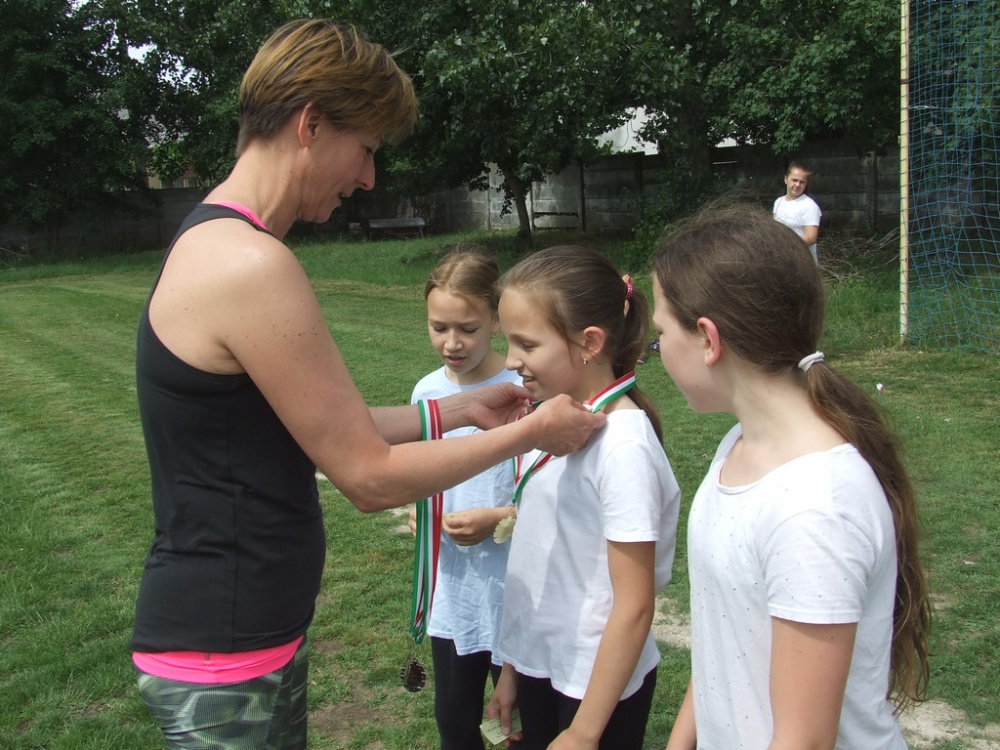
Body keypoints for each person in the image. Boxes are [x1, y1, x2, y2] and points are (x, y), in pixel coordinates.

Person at [129, 20, 604, 750]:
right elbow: (368, 477)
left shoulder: (216, 241)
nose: (368, 178)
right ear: (311, 125)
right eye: (368, 149)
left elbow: (319, 427)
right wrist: (533, 432)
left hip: (237, 636)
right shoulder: (249, 264)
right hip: (224, 648)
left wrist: (462, 408)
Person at [651, 205, 930, 750]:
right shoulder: (738, 447)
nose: (657, 351)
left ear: (708, 339)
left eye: (660, 334)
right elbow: (728, 640)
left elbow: (802, 740)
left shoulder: (815, 507)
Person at [486, 246, 682, 750]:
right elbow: (538, 558)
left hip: (597, 687)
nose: (510, 361)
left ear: (589, 342)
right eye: (509, 342)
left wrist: (584, 731)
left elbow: (635, 606)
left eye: (527, 344)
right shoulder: (550, 423)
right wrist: (513, 668)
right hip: (540, 664)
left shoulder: (624, 447)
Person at [407, 250, 523, 749]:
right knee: (455, 724)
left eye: (467, 329)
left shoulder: (522, 389)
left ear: (496, 319)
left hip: (515, 587)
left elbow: (548, 492)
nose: (451, 342)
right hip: (454, 591)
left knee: (518, 726)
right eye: (439, 327)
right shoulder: (426, 392)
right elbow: (421, 474)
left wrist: (498, 518)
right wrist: (420, 513)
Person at [772, 161, 822, 264]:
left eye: (802, 182)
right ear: (786, 179)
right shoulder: (778, 202)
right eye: (794, 180)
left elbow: (811, 238)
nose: (798, 185)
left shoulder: (809, 206)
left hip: (803, 263)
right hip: (782, 260)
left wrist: (786, 244)